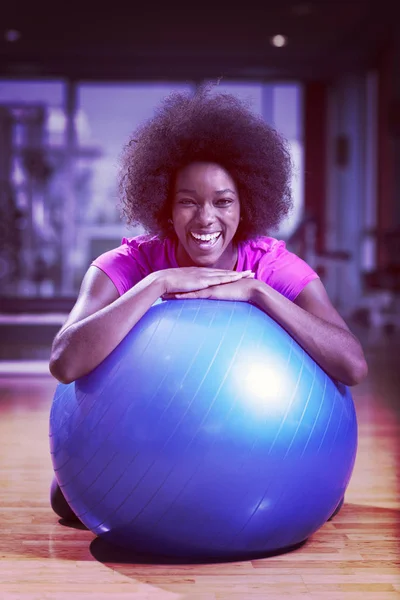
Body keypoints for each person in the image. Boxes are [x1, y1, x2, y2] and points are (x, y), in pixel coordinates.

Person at [49, 85, 368, 522]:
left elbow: (353, 365)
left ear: (246, 204)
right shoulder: (126, 264)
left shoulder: (272, 266)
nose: (205, 219)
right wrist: (157, 283)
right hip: (145, 447)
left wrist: (258, 292)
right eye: (187, 202)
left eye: (223, 201)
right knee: (65, 501)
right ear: (164, 205)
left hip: (255, 447)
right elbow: (64, 363)